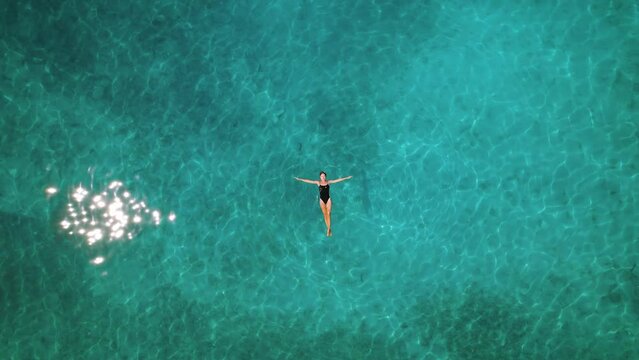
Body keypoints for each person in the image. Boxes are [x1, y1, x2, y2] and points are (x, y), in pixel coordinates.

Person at [294, 171, 353, 236]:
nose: (323, 177)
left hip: (328, 199)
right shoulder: (318, 182)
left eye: (324, 176)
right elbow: (309, 181)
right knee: (325, 214)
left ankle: (328, 229)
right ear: (320, 177)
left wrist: (346, 178)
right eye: (322, 176)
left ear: (325, 176)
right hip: (322, 200)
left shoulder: (328, 182)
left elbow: (337, 180)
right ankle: (328, 228)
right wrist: (300, 179)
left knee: (328, 213)